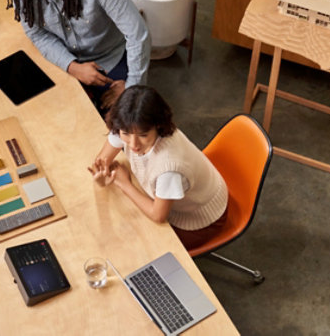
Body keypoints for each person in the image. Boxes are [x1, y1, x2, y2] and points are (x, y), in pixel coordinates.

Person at [7, 0, 150, 113]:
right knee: (42, 112)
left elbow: (138, 34)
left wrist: (131, 88)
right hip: (63, 61)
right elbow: (37, 34)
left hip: (109, 59)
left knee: (124, 118)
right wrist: (72, 67)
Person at [88, 85, 228, 250]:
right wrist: (102, 174)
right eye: (125, 134)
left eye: (143, 135)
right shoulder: (129, 125)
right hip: (177, 198)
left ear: (158, 127)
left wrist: (125, 184)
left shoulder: (169, 168)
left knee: (136, 245)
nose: (133, 144)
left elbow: (158, 215)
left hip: (200, 219)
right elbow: (103, 160)